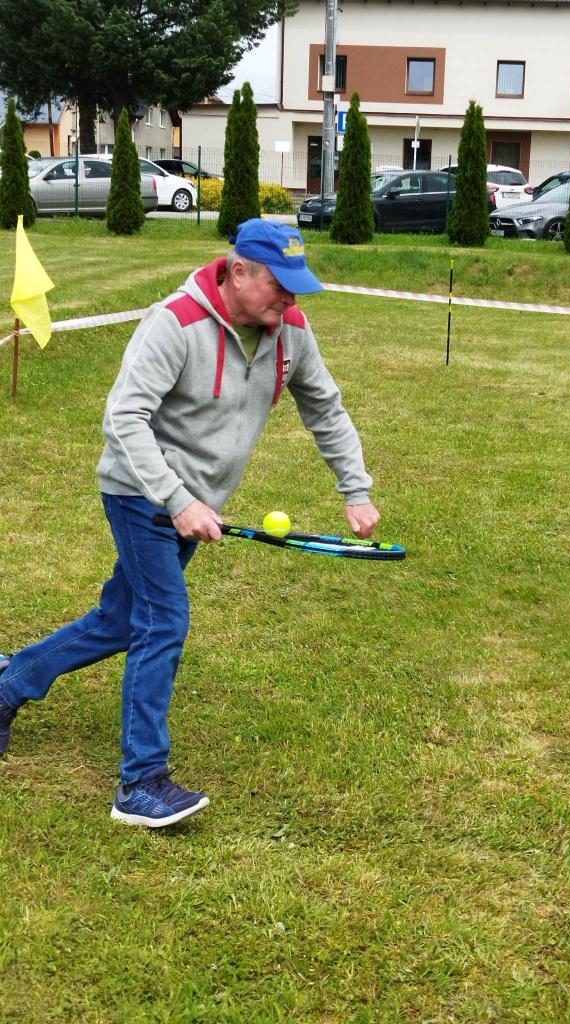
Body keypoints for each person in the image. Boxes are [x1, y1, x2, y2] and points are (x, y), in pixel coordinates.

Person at [0, 220, 380, 828]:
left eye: (296, 287)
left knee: (120, 620)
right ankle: (141, 782)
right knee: (164, 619)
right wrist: (178, 501)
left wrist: (355, 491)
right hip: (138, 491)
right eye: (279, 285)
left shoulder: (291, 331)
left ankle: (9, 684)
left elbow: (326, 410)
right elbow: (124, 419)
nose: (290, 298)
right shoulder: (174, 323)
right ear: (238, 272)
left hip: (194, 503)